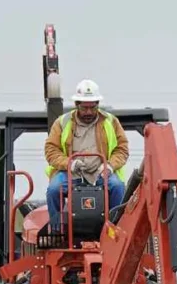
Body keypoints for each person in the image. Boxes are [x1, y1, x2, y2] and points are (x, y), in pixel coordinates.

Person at [44, 79, 130, 232]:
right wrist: (69, 164)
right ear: (77, 104)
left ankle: (115, 231)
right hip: (72, 173)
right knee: (53, 189)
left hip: (101, 173)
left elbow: (122, 149)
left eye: (93, 107)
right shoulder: (62, 123)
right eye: (85, 108)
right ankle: (57, 232)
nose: (89, 112)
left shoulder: (111, 122)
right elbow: (51, 150)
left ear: (98, 103)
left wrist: (109, 166)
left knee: (117, 187)